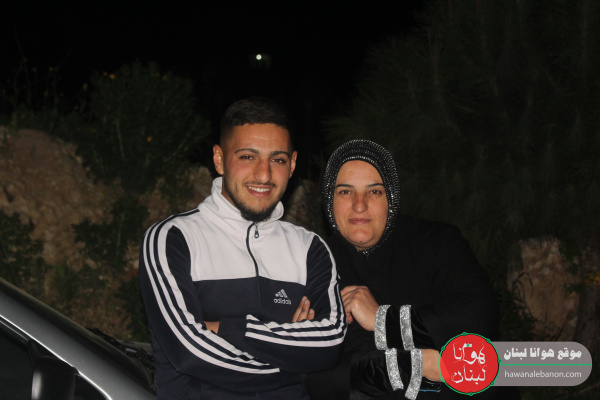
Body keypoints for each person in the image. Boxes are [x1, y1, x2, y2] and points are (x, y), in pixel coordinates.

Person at [139, 97, 346, 399]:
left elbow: (329, 345)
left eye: (277, 160)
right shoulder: (172, 238)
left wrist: (226, 329)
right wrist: (296, 364)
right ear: (219, 159)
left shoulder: (311, 248)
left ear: (292, 164)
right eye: (248, 157)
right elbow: (189, 353)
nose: (264, 175)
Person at [307, 139, 505, 399]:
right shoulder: (315, 266)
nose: (359, 204)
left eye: (374, 191)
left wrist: (381, 320)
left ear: (391, 197)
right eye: (345, 192)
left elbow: (479, 317)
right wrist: (422, 363)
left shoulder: (436, 243)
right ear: (329, 201)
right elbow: (319, 377)